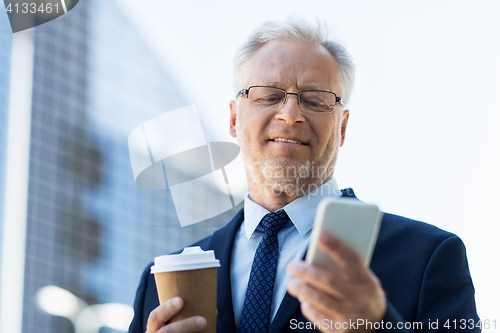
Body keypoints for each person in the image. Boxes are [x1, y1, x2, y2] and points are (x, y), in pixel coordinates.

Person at [129, 18, 479, 333]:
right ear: (234, 119)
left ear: (342, 127)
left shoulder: (428, 257)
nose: (290, 114)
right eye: (268, 96)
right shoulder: (158, 283)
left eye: (314, 100)